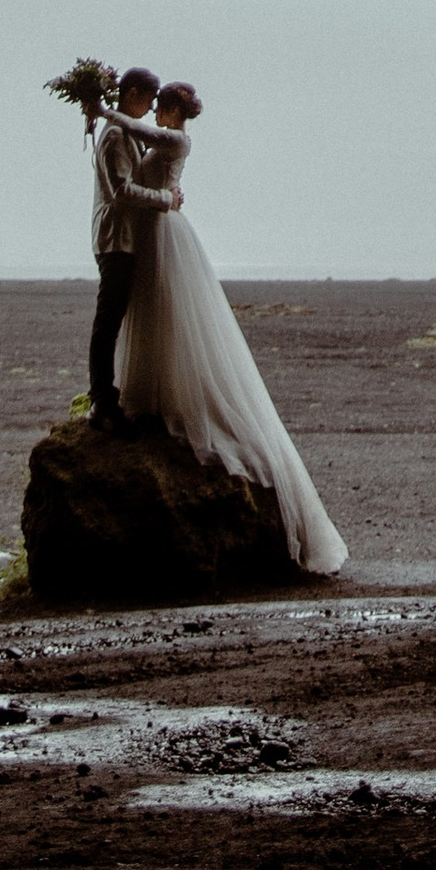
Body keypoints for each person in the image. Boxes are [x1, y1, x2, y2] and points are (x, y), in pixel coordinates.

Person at [117, 81, 348, 575]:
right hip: (155, 226)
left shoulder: (176, 140)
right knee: (154, 309)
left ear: (177, 109)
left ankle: (172, 396)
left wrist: (102, 110)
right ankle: (153, 393)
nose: (156, 111)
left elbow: (136, 130)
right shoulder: (158, 139)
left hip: (165, 230)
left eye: (163, 105)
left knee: (173, 309)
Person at [87, 65, 182, 429]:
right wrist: (164, 198)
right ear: (132, 95)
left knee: (115, 318)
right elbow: (121, 190)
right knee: (108, 320)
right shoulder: (114, 136)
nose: (152, 106)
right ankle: (102, 401)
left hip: (127, 237)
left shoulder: (125, 132)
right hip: (116, 237)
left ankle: (110, 395)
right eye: (149, 98)